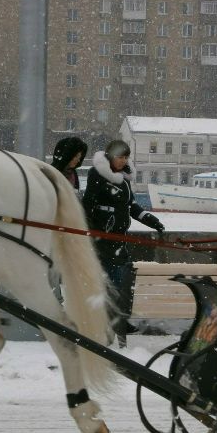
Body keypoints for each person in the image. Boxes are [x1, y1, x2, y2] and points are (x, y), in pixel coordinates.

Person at [81, 140, 164, 343]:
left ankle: (116, 323)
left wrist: (152, 221)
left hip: (119, 243)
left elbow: (132, 206)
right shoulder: (97, 175)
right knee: (107, 286)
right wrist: (93, 233)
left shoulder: (124, 180)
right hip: (102, 243)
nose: (123, 161)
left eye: (126, 157)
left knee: (119, 285)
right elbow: (87, 206)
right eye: (120, 157)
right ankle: (106, 325)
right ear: (110, 157)